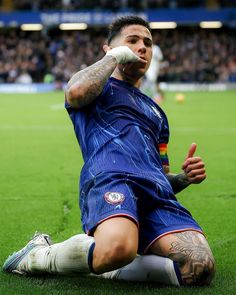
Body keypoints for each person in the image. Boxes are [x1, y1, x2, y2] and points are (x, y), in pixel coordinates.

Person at [3, 16, 215, 287]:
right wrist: (113, 58)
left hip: (155, 196)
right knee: (118, 249)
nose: (142, 47)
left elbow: (163, 177)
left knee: (199, 266)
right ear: (110, 49)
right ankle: (38, 256)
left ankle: (105, 259)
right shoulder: (96, 88)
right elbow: (76, 92)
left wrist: (182, 179)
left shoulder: (157, 114)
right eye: (133, 41)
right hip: (113, 179)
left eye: (148, 43)